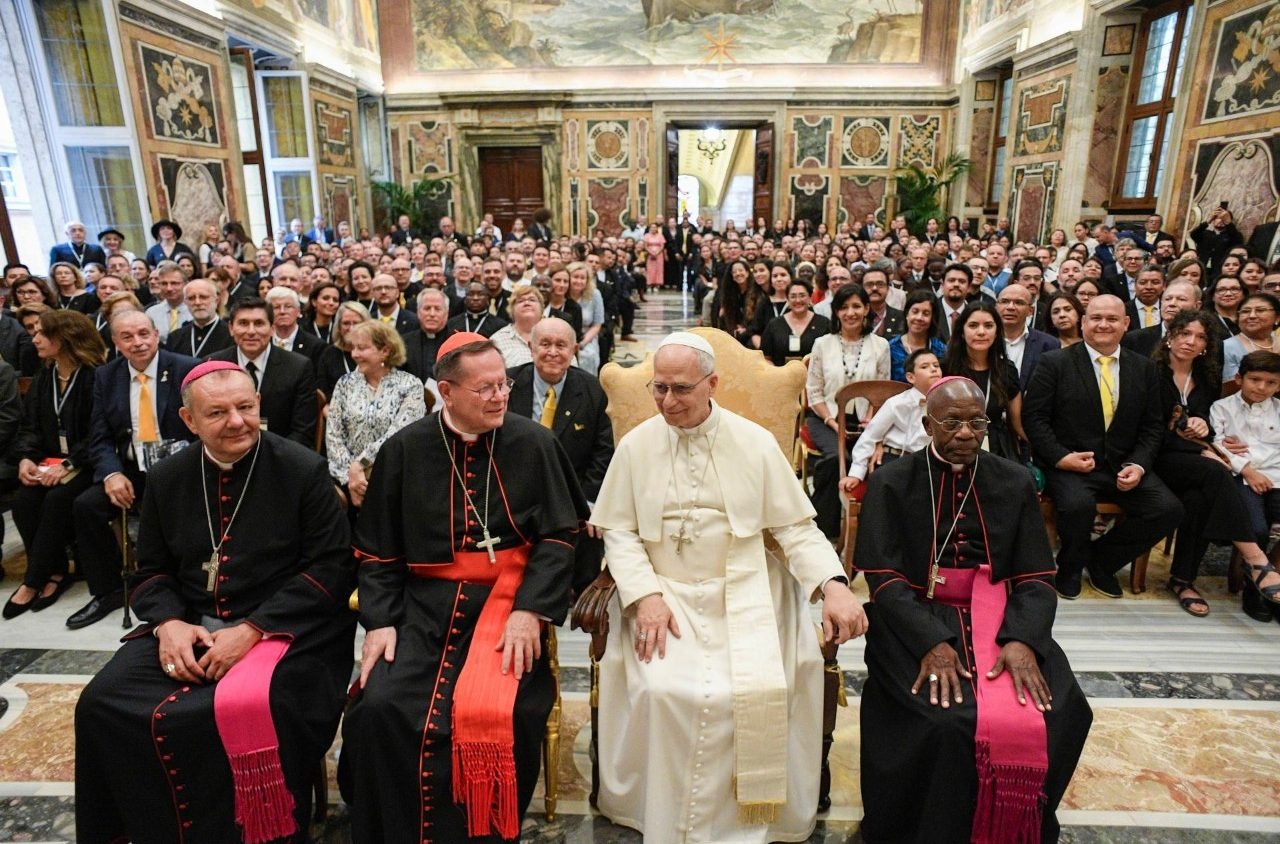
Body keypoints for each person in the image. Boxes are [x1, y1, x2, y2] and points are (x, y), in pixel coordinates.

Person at [590, 331, 866, 842]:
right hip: (663, 592)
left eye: (681, 389)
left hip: (747, 588)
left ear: (712, 383)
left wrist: (834, 583)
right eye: (659, 388)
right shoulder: (636, 446)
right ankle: (662, 814)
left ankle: (756, 817)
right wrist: (645, 596)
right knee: (667, 690)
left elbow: (795, 529)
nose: (667, 402)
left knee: (775, 680)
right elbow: (620, 532)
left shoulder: (754, 443)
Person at [74, 362, 357, 843]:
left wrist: (253, 629)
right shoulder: (167, 477)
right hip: (189, 625)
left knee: (257, 707)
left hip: (288, 632)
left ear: (259, 406)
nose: (237, 422)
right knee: (101, 703)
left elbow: (331, 568)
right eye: (218, 412)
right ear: (188, 421)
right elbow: (151, 571)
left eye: (246, 408)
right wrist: (168, 624)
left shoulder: (302, 470)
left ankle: (262, 832)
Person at [339, 332, 589, 841]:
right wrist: (382, 621)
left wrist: (532, 610)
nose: (500, 397)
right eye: (485, 389)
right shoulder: (405, 449)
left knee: (506, 710)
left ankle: (486, 831)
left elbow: (563, 535)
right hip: (422, 607)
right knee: (380, 706)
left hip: (511, 602)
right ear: (446, 392)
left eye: (503, 386)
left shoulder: (535, 443)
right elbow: (378, 550)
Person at [855, 376, 1092, 844]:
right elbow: (884, 579)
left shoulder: (1013, 479)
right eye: (952, 422)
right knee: (941, 722)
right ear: (926, 425)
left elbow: (1036, 577)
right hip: (915, 617)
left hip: (1002, 617)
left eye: (976, 422)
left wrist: (1022, 639)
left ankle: (1018, 826)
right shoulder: (890, 482)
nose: (965, 433)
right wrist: (931, 643)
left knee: (1063, 708)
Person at [1024, 295, 1183, 599]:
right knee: (1077, 506)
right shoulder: (1055, 362)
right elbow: (1035, 419)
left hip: (1124, 464)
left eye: (1112, 319)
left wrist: (1138, 465)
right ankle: (1069, 567)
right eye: (1095, 318)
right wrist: (1061, 457)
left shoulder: (1145, 368)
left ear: (1126, 324)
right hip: (1070, 464)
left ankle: (1103, 561)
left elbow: (1152, 426)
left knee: (1167, 509)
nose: (1103, 325)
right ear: (1083, 323)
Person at [70, 310, 199, 629]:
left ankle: (186, 590)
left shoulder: (186, 369)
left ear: (156, 335)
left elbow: (202, 428)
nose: (138, 342)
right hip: (133, 472)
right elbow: (98, 436)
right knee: (86, 506)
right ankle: (108, 591)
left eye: (144, 333)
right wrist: (112, 474)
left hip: (181, 470)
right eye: (127, 337)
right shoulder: (106, 376)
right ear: (115, 342)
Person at [1151, 310, 1273, 617]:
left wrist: (1206, 429)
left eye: (1200, 336)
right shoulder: (1149, 371)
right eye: (1184, 333)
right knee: (1215, 472)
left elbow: (1210, 419)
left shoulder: (1205, 377)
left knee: (1199, 498)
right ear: (1170, 335)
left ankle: (1182, 580)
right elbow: (1148, 429)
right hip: (1156, 456)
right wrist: (1204, 448)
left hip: (1195, 459)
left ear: (1207, 344)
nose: (1191, 341)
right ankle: (1256, 560)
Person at [508, 317, 613, 593]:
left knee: (591, 532)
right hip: (514, 492)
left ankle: (582, 603)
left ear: (574, 349)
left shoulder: (592, 390)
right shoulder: (507, 385)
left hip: (572, 494)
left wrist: (590, 502)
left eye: (561, 345)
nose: (552, 352)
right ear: (531, 348)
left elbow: (603, 452)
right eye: (545, 344)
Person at [4, 312, 91, 619]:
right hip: (49, 462)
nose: (35, 339)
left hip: (86, 463)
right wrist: (26, 457)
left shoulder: (94, 375)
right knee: (24, 501)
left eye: (42, 333)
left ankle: (33, 580)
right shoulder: (45, 377)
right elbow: (29, 427)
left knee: (57, 500)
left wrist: (69, 464)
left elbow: (100, 432)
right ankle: (55, 572)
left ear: (64, 338)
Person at [1211, 350, 1280, 621]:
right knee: (1256, 528)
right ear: (1239, 378)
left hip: (1277, 477)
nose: (1262, 388)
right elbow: (1215, 444)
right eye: (1255, 380)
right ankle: (1255, 591)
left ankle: (1275, 575)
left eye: (1270, 382)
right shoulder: (1222, 407)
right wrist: (1248, 470)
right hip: (1240, 477)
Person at [326, 320, 425, 509]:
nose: (354, 354)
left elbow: (399, 434)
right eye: (353, 348)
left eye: (362, 348)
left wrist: (361, 464)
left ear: (385, 351)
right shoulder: (345, 383)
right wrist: (351, 478)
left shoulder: (409, 385)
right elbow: (333, 436)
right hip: (347, 481)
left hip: (393, 476)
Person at [208, 298, 318, 447]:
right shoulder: (213, 365)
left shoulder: (299, 367)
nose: (251, 331)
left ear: (272, 329)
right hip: (227, 453)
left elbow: (302, 431)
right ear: (231, 328)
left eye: (259, 323)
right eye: (243, 323)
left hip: (281, 456)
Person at [839, 348, 940, 493]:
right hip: (896, 458)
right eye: (925, 367)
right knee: (888, 483)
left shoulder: (944, 403)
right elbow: (870, 436)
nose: (933, 370)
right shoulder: (897, 403)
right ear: (911, 377)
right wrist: (856, 473)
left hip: (927, 462)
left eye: (936, 365)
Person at [941, 301, 1025, 460]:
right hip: (953, 445)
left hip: (996, 447)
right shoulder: (945, 368)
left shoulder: (1006, 370)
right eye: (973, 326)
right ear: (961, 332)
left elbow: (1018, 424)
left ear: (997, 331)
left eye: (988, 326)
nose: (981, 332)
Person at [996, 283, 1061, 392]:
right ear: (996, 306)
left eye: (1019, 303)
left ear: (1030, 311)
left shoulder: (1048, 344)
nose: (1010, 307)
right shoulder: (983, 340)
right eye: (1005, 301)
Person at [761, 278, 830, 366]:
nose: (797, 300)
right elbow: (766, 358)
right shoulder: (774, 325)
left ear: (809, 297)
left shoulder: (824, 323)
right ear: (788, 299)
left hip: (814, 377)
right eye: (793, 296)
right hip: (781, 377)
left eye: (802, 295)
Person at [165, 278, 233, 359]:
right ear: (185, 302)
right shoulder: (175, 337)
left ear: (216, 300)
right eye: (191, 298)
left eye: (203, 297)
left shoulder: (231, 335)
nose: (197, 302)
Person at [889, 288, 947, 382]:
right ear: (907, 314)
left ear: (932, 319)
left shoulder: (941, 350)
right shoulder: (890, 348)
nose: (919, 318)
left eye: (926, 314)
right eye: (915, 312)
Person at [401, 287, 457, 383]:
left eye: (437, 309)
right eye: (427, 308)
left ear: (446, 314)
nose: (432, 314)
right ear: (418, 312)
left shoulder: (457, 343)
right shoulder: (404, 342)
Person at [318, 301, 371, 399]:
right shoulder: (329, 354)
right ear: (338, 327)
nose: (351, 328)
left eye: (356, 323)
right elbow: (323, 392)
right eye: (346, 323)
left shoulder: (376, 352)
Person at [1221, 293, 1280, 381]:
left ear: (1277, 318)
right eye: (1245, 311)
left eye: (1260, 310)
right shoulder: (1227, 347)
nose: (1252, 316)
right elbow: (1230, 388)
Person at [490, 283, 544, 369]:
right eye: (520, 301)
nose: (527, 303)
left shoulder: (555, 335)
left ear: (542, 309)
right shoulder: (498, 340)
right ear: (511, 310)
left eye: (532, 300)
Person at [568, 261, 605, 375]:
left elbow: (597, 324)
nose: (579, 281)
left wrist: (582, 344)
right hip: (565, 336)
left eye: (582, 278)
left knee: (588, 356)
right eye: (575, 277)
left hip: (586, 337)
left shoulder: (595, 294)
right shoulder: (563, 294)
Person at [143, 261, 192, 340]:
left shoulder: (194, 311)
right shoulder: (151, 313)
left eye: (174, 283)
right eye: (164, 283)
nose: (169, 288)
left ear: (186, 284)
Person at [643, 223, 665, 291]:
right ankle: (649, 285)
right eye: (652, 227)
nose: (653, 229)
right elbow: (645, 246)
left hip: (659, 254)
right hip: (650, 255)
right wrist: (651, 252)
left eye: (655, 227)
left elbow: (662, 246)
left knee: (658, 269)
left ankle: (657, 285)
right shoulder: (647, 236)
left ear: (657, 228)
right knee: (650, 270)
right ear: (650, 228)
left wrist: (657, 253)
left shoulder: (660, 236)